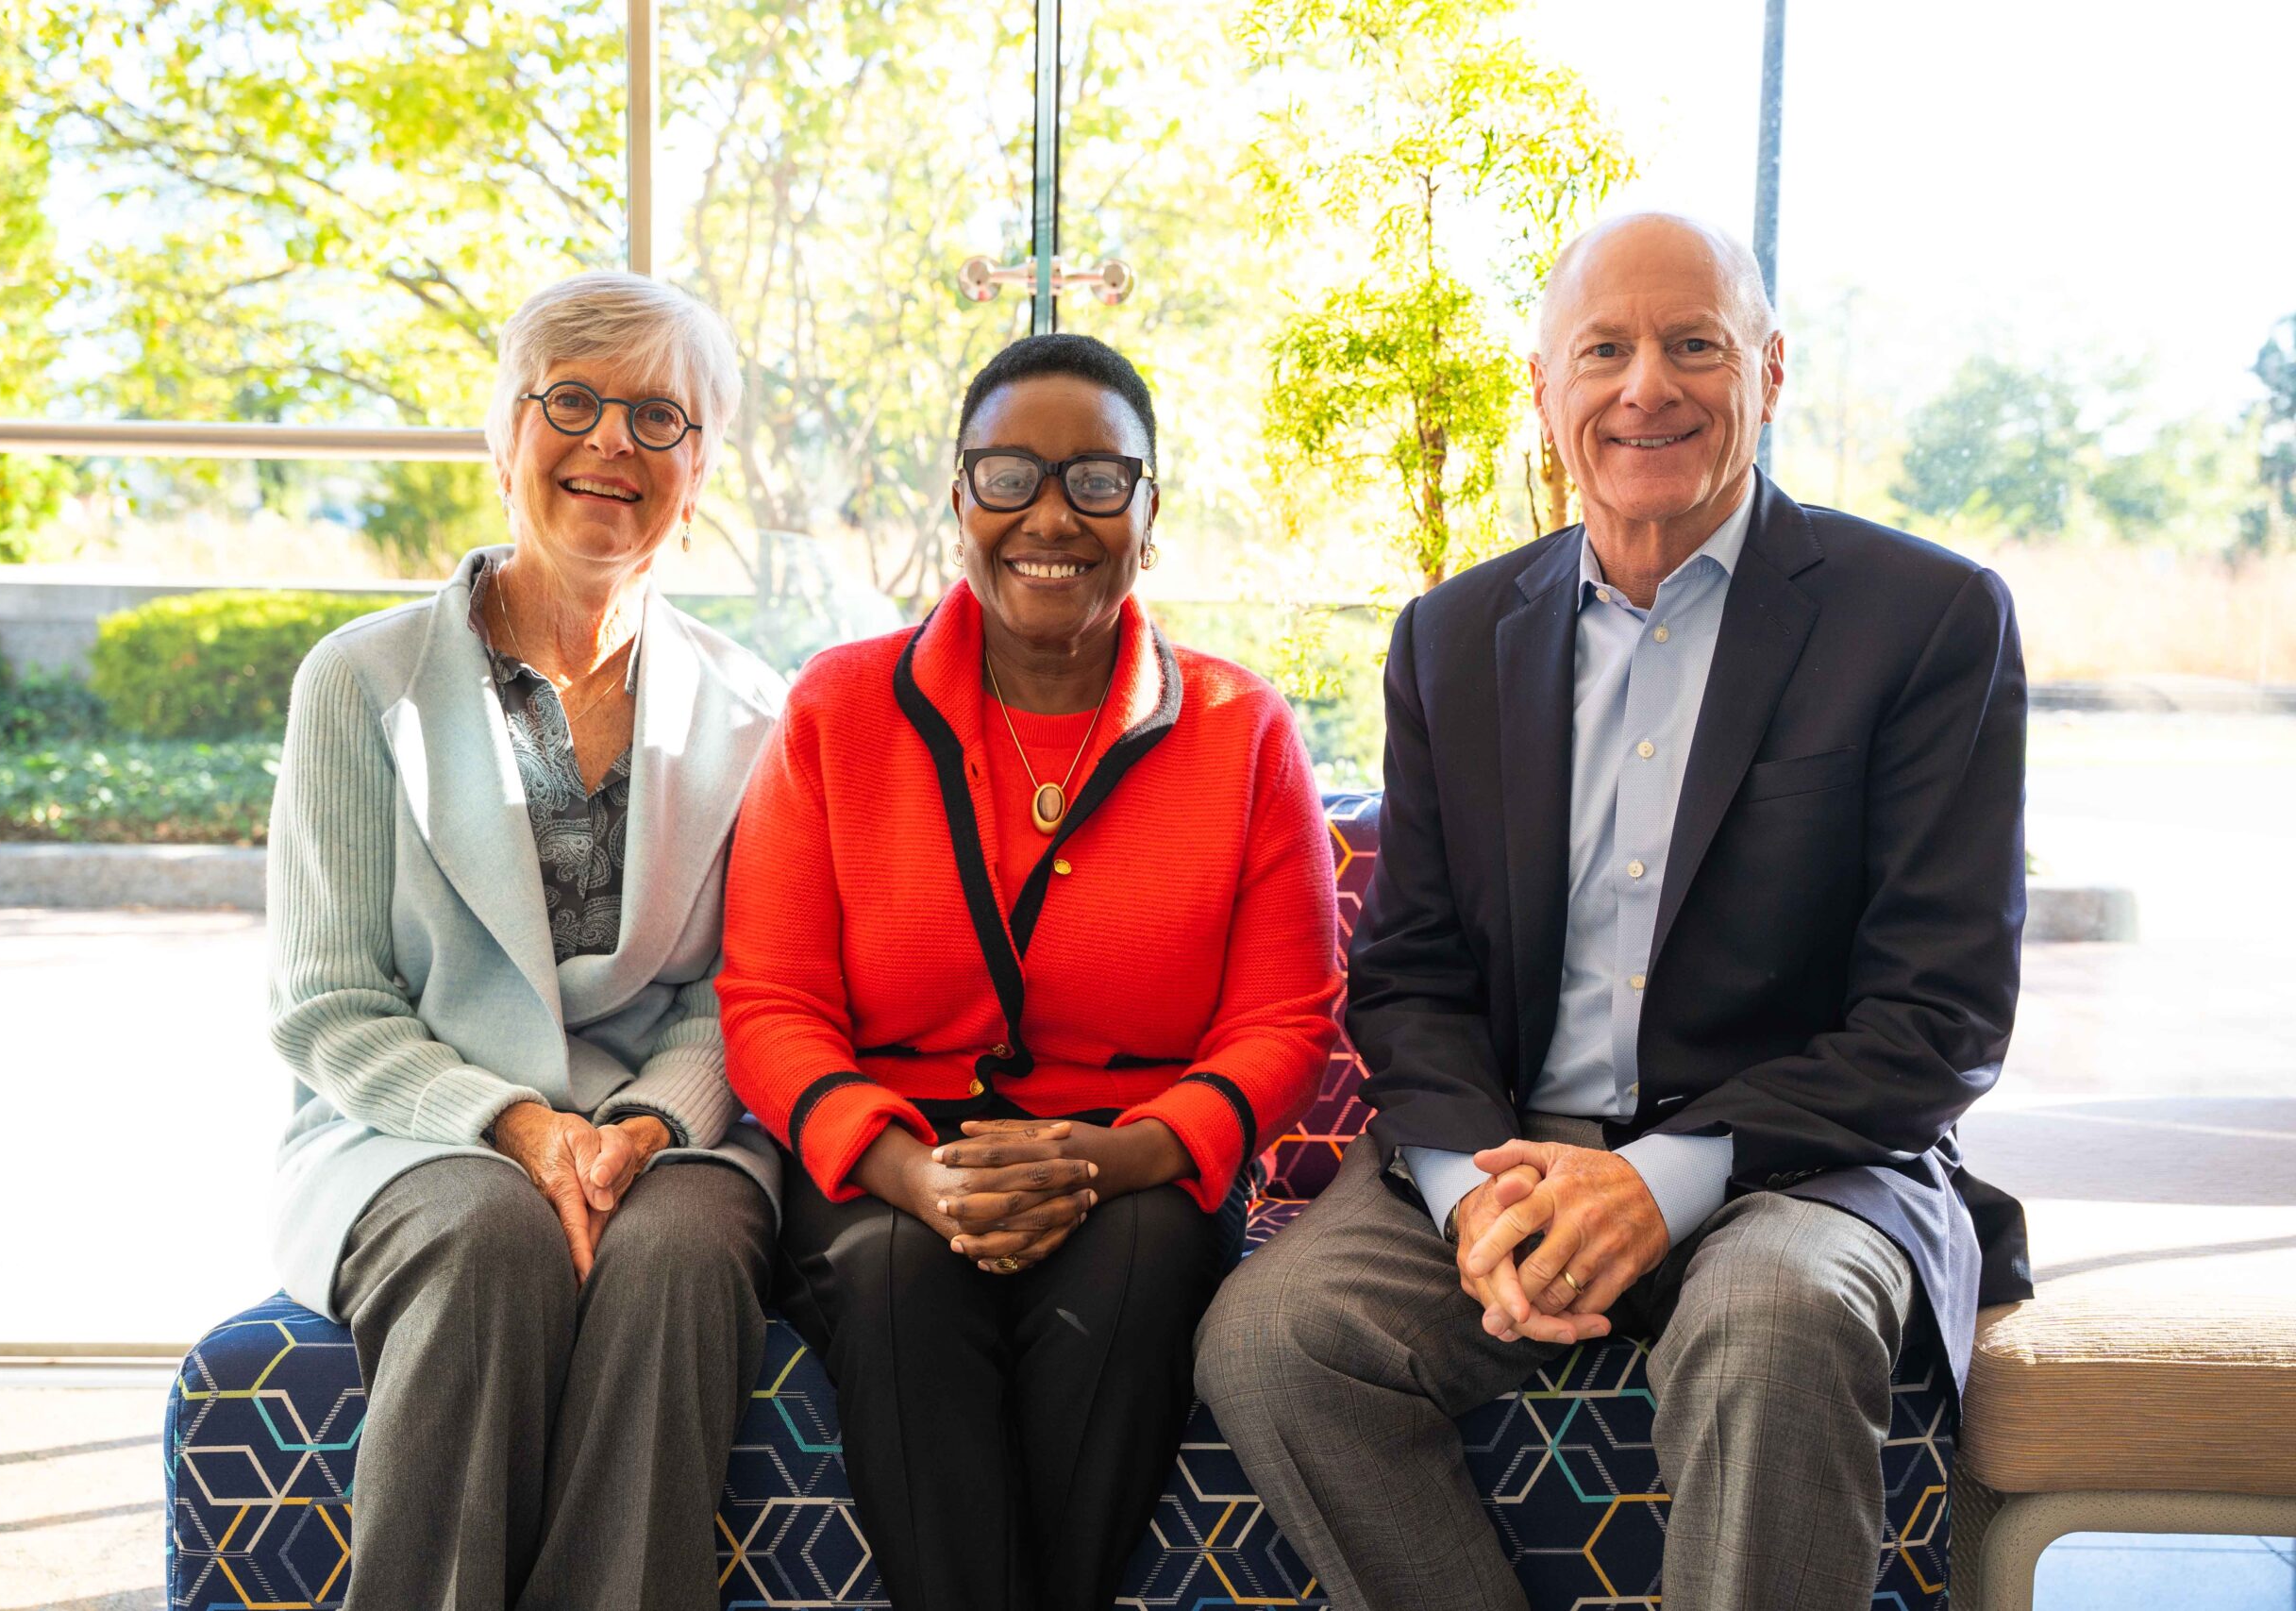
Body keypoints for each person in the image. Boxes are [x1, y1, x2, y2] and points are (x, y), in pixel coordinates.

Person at [1197, 212, 2035, 1611]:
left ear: (1768, 371)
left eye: (1693, 344)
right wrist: (1477, 1195)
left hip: (1798, 1166)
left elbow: (1940, 1019)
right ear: (1545, 391)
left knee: (1776, 1323)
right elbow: (1405, 979)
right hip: (1510, 1148)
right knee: (1276, 1341)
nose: (1647, 386)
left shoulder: (1926, 619)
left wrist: (1661, 1180)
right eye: (1605, 349)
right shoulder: (1452, 639)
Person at [717, 332, 1341, 1611]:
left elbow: (1286, 1021)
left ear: (1150, 516)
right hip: (889, 1156)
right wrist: (915, 1174)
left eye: (1100, 480)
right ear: (959, 500)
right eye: (1010, 476)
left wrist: (1101, 1161)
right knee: (893, 1276)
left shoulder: (1240, 728)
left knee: (1138, 1266)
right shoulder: (838, 709)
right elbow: (771, 1008)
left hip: (1138, 1160)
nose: (1052, 515)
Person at [265, 270, 785, 1611]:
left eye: (659, 418)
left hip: (669, 1133)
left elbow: (746, 993)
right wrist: (517, 1123)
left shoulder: (758, 710)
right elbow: (330, 1004)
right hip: (413, 1130)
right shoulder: (359, 682)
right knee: (489, 1240)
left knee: (676, 1255)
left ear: (701, 465)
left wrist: (648, 1129)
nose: (614, 442)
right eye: (572, 402)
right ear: (504, 436)